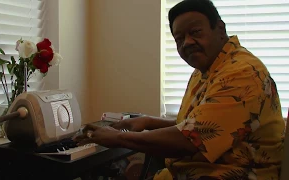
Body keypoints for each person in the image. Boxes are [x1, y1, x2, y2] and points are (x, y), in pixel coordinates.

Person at [75, 0, 285, 179]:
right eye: (179, 39)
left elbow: (189, 140)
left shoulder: (242, 73)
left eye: (195, 33)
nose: (187, 43)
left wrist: (118, 138)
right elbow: (200, 125)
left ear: (220, 29)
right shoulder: (207, 69)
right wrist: (148, 121)